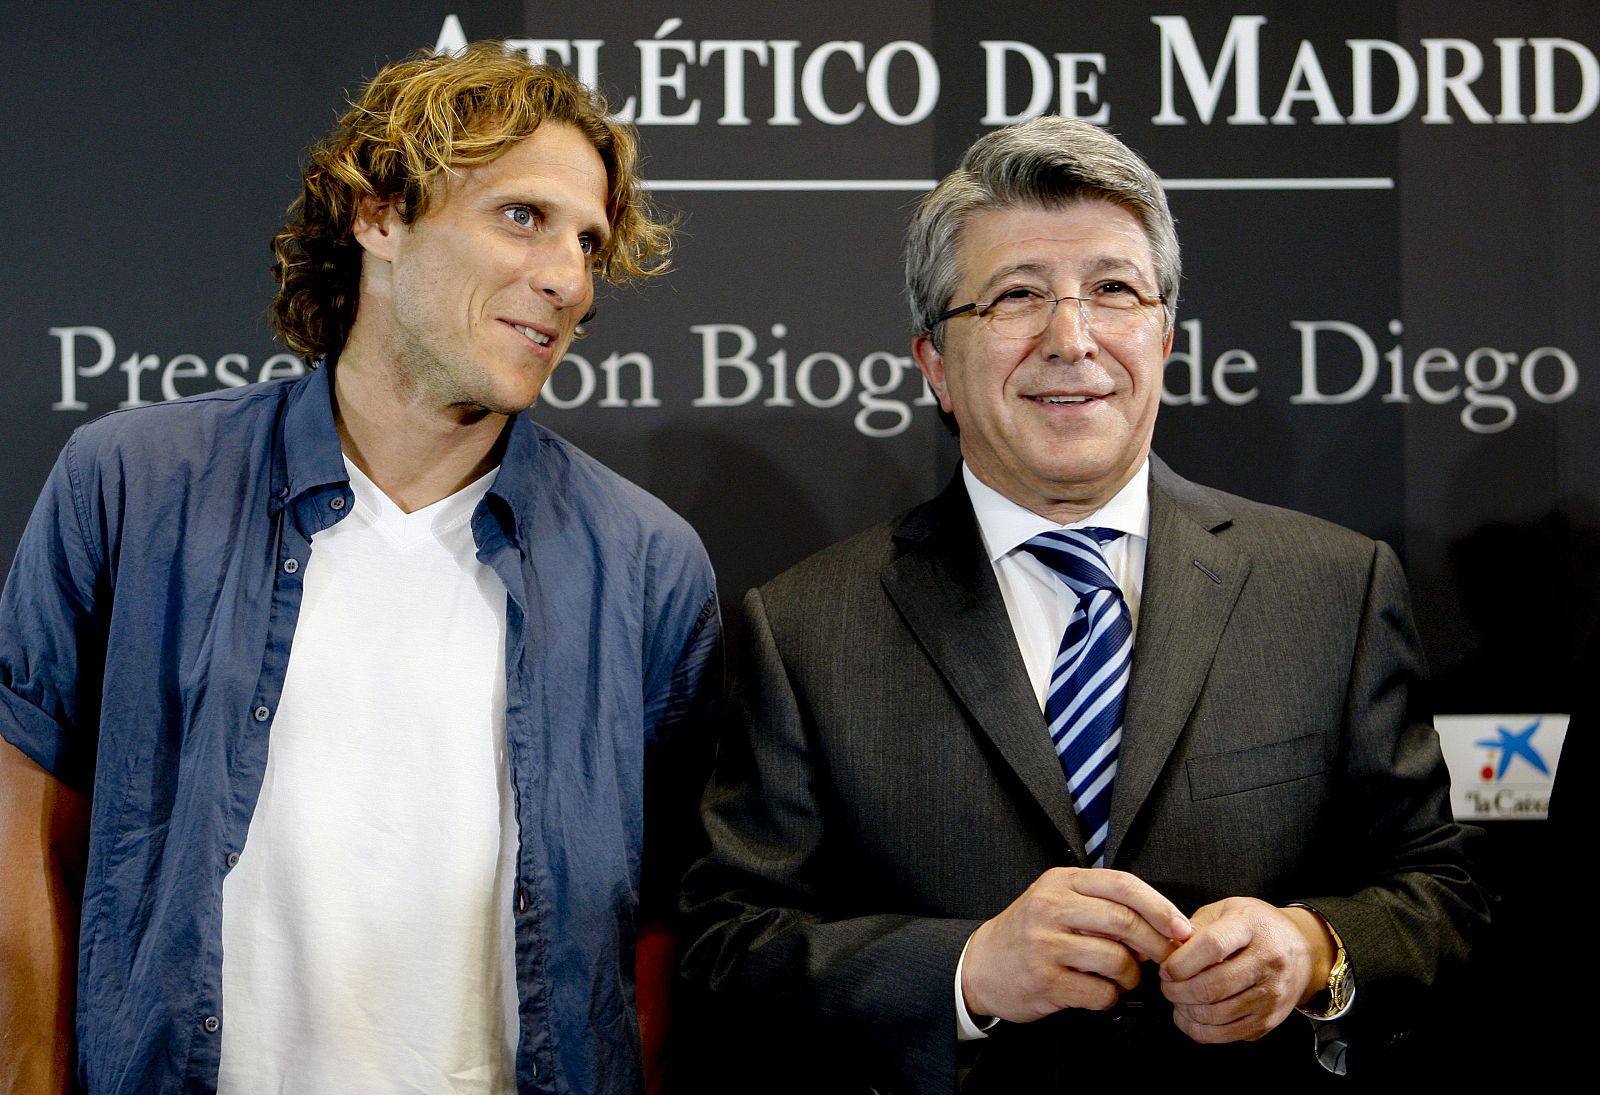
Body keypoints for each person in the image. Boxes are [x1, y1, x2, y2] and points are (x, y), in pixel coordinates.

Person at [679, 116, 1485, 1089]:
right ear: (934, 362)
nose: (1072, 339)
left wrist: (1313, 950)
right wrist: (968, 970)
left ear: (1163, 335)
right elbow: (728, 955)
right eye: (1017, 296)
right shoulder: (805, 628)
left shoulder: (1333, 588)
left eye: (1112, 290)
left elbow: (1445, 896)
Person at [0, 43, 717, 1095]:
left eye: (588, 242)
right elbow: (26, 814)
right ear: (379, 215)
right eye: (522, 216)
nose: (567, 279)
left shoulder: (647, 563)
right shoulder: (135, 483)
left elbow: (663, 923)